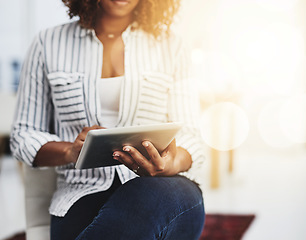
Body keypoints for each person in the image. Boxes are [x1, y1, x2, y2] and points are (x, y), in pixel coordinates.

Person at [10, 0, 205, 239]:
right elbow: (24, 135)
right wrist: (69, 152)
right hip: (79, 194)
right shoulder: (47, 43)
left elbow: (192, 137)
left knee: (143, 195)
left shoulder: (171, 46)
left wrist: (172, 162)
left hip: (164, 190)